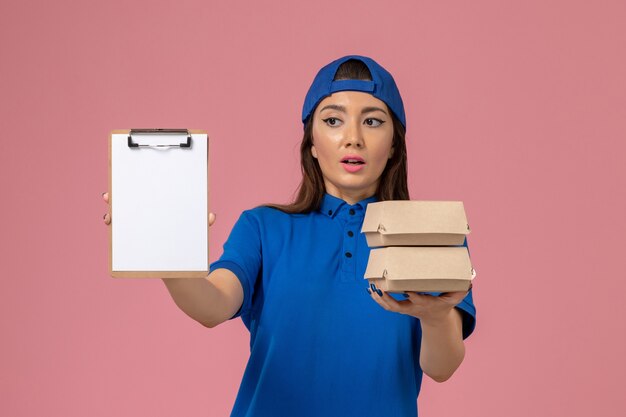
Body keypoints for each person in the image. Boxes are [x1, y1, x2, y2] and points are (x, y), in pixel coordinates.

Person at [102, 55, 477, 417]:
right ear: (312, 142)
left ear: (394, 143)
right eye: (333, 121)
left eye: (373, 122)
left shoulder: (430, 235)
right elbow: (212, 305)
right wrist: (168, 250)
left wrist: (436, 314)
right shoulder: (263, 228)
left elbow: (442, 367)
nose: (353, 138)